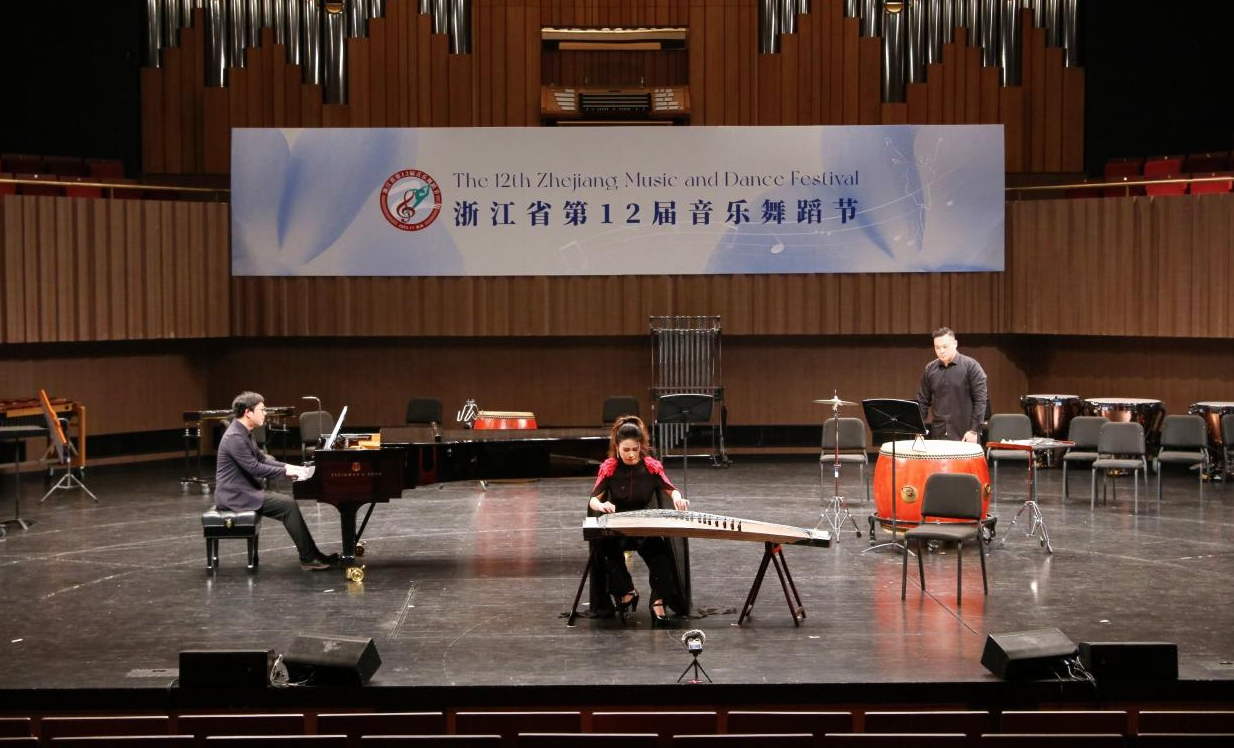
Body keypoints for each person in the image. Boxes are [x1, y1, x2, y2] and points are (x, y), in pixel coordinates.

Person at [214, 391, 338, 571]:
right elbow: (255, 468)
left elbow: (262, 459)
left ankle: (312, 555)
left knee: (288, 504)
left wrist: (293, 467)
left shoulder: (244, 432)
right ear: (248, 412)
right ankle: (309, 557)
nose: (265, 413)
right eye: (262, 410)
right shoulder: (235, 437)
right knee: (288, 505)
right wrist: (287, 472)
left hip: (244, 491)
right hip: (235, 495)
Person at [588, 415, 690, 625]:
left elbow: (671, 489)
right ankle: (627, 591)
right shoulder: (610, 468)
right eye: (626, 450)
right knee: (605, 551)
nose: (631, 454)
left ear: (641, 446)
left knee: (661, 556)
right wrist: (601, 506)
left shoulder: (651, 467)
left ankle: (658, 602)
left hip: (644, 525)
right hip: (618, 527)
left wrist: (678, 498)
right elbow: (593, 500)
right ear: (617, 447)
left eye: (635, 449)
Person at [916, 327, 989, 443]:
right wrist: (918, 429)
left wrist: (974, 431)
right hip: (938, 434)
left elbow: (980, 400)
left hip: (965, 434)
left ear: (955, 344)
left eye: (945, 347)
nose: (941, 351)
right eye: (937, 347)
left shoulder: (971, 366)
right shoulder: (930, 369)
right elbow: (923, 401)